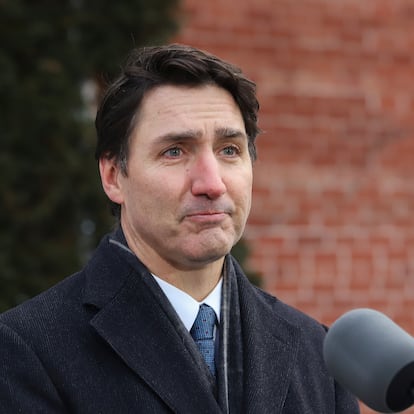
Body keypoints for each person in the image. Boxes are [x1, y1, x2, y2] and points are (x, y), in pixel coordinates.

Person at [0, 44, 359, 413]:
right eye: (175, 151)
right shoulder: (26, 352)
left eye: (229, 150)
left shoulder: (317, 355)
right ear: (113, 177)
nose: (212, 183)